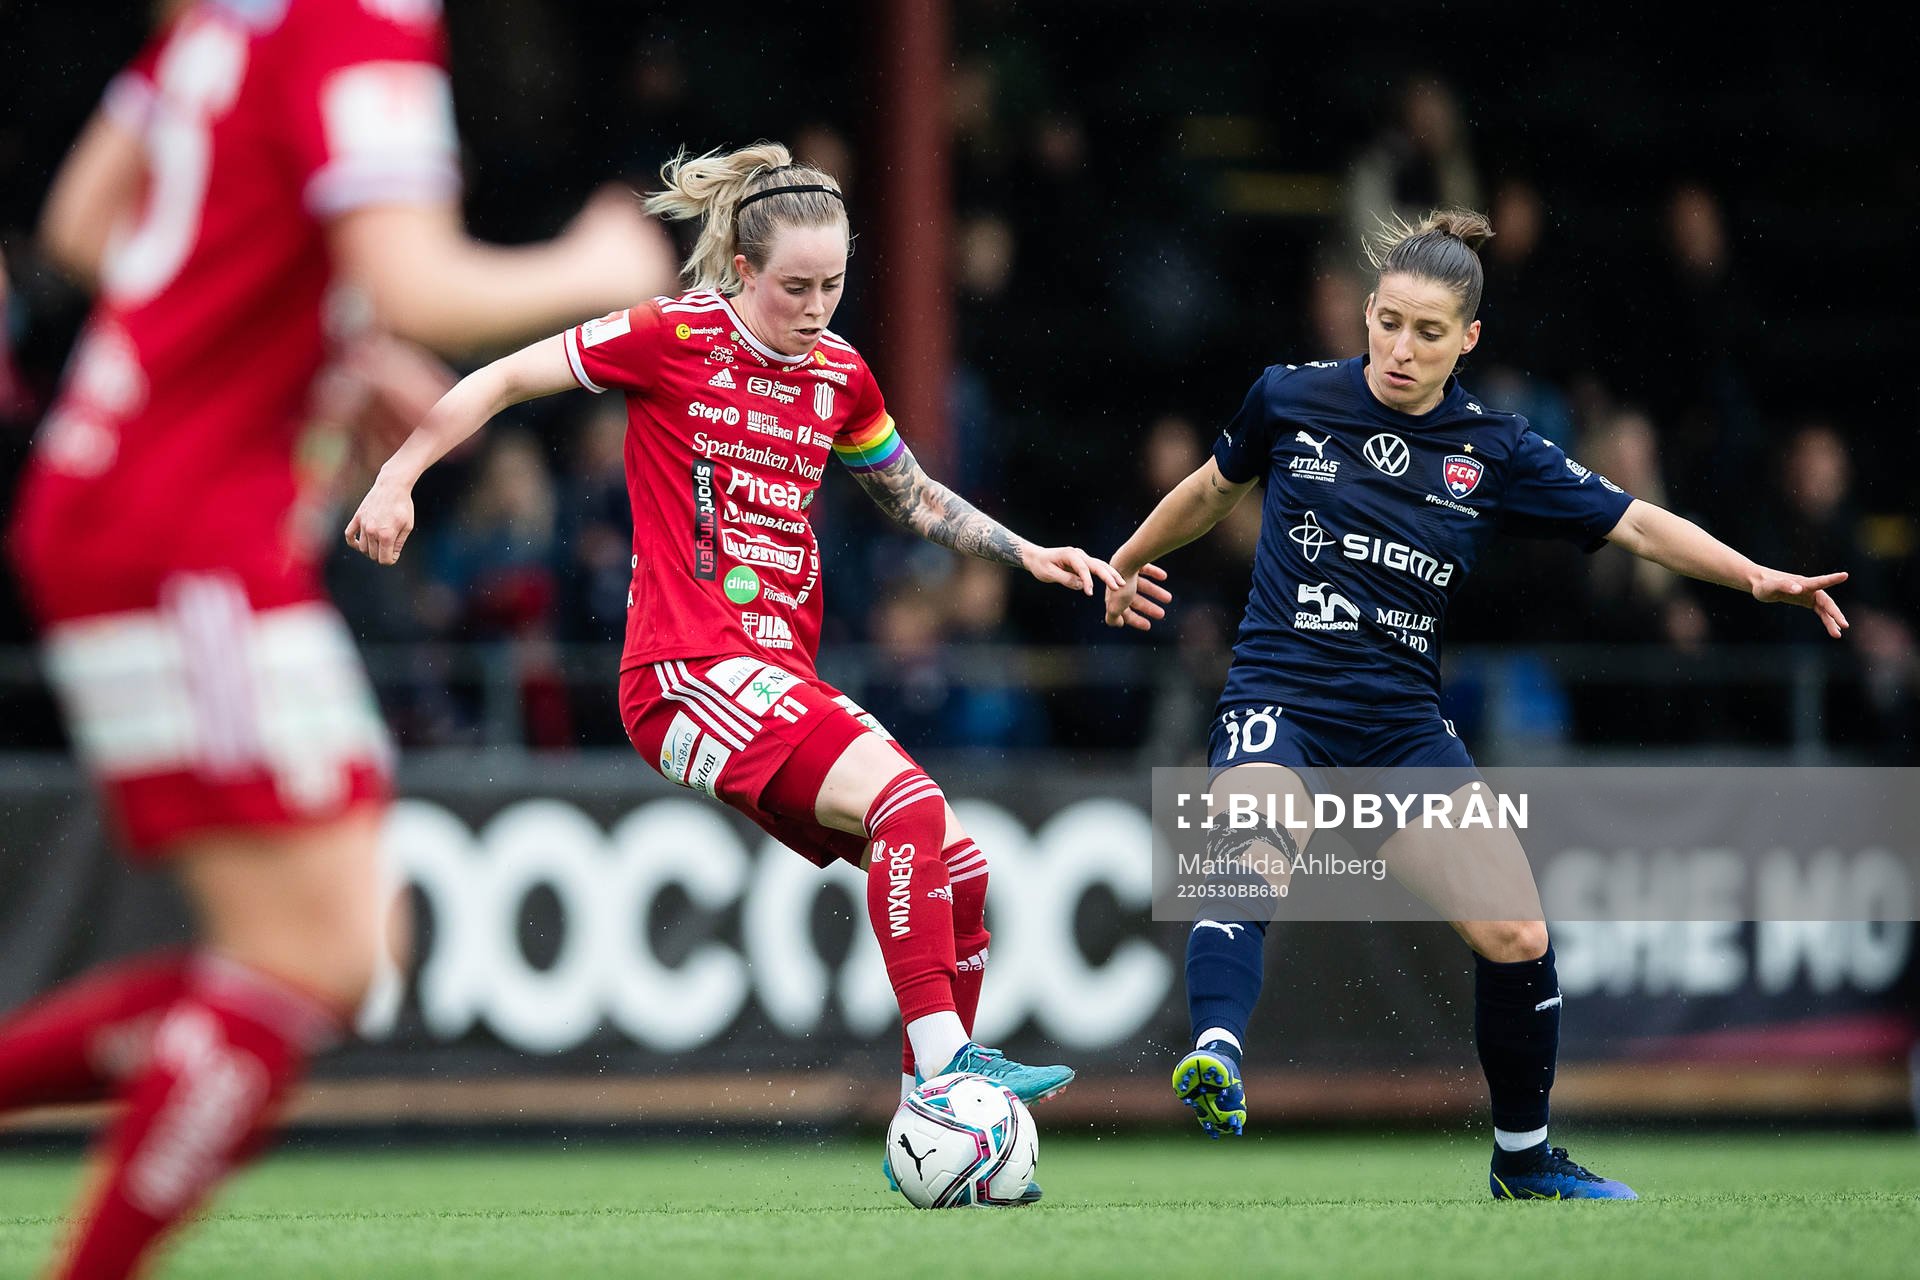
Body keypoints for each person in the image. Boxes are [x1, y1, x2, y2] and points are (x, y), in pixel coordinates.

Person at [343, 141, 1171, 1199]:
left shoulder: (841, 376)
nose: (817, 309)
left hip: (778, 673)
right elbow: (504, 376)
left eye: (833, 285)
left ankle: (932, 1113)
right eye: (795, 287)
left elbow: (912, 495)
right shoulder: (670, 336)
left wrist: (1027, 552)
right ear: (741, 268)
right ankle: (948, 1070)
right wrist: (398, 477)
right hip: (683, 670)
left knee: (957, 866)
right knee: (912, 806)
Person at [0, 2, 675, 1275]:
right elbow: (420, 281)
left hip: (151, 508)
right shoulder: (357, 17)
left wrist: (325, 345)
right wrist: (599, 268)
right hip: (181, 528)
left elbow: (87, 222)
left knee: (351, 953)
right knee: (308, 961)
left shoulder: (232, 17)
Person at [1102, 209, 1848, 1200]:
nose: (1400, 349)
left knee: (1517, 934)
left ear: (1469, 339)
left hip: (1401, 727)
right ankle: (1217, 1054)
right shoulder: (1289, 396)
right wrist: (1128, 559)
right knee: (1249, 850)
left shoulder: (1494, 447)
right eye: (1388, 323)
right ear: (1368, 312)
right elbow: (1211, 487)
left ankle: (1523, 1161)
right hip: (1282, 696)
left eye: (1427, 332)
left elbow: (1634, 524)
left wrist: (1753, 575)